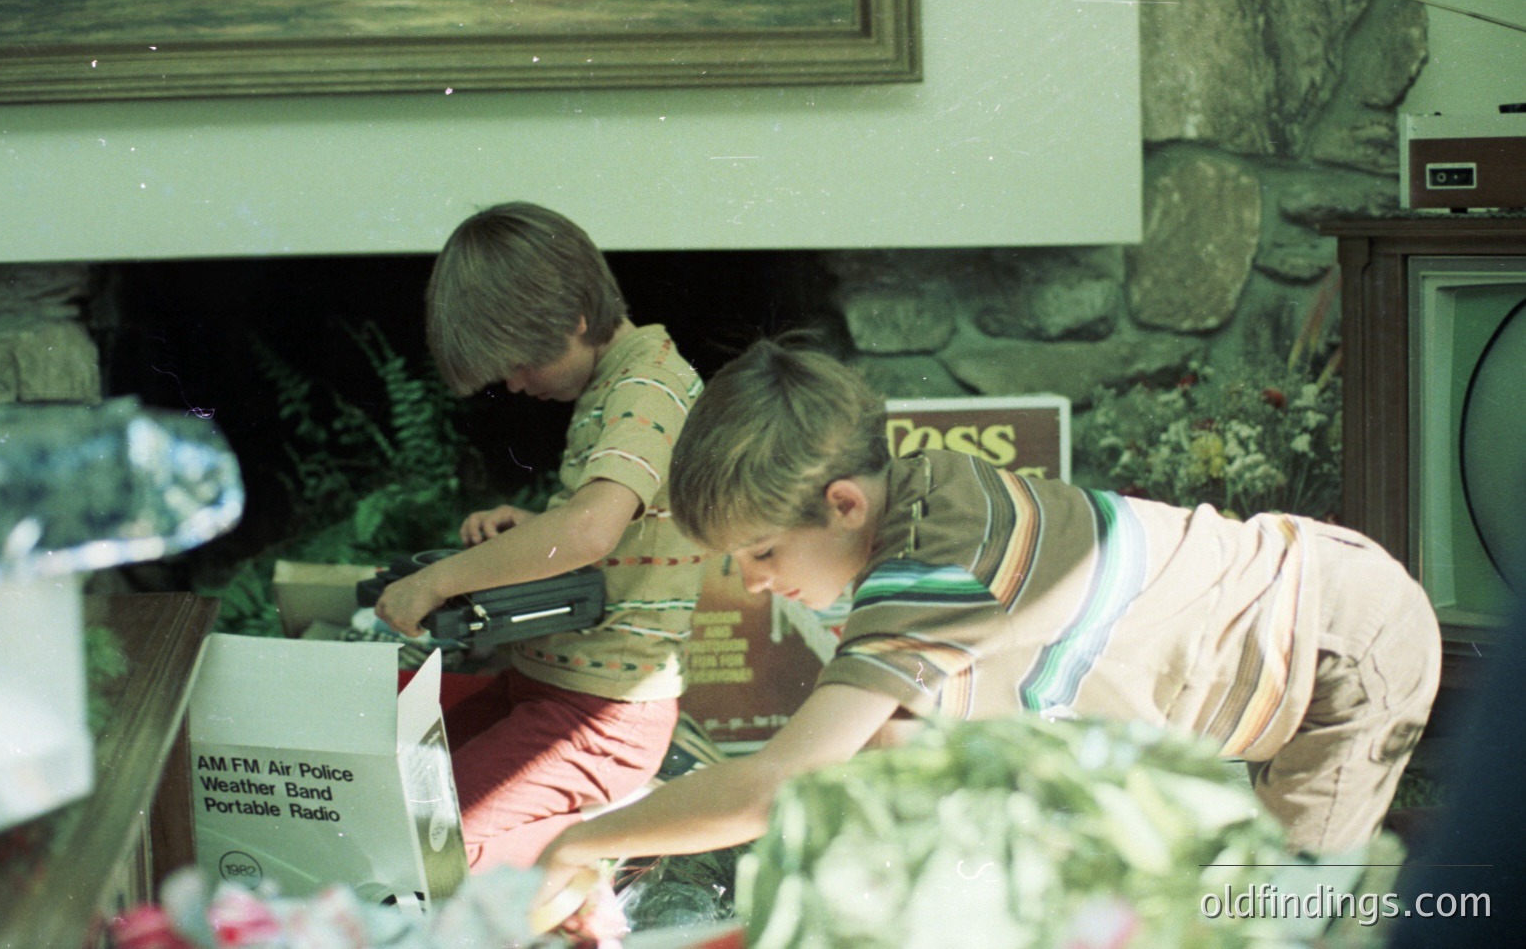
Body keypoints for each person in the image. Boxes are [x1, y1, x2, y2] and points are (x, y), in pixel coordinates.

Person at [535, 336, 1443, 900]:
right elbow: (885, 745)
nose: (756, 582)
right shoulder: (922, 493)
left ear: (844, 505)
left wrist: (582, 843)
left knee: (1274, 919)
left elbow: (775, 785)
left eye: (763, 552)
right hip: (1296, 614)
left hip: (1340, 652)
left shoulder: (935, 570)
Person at [375, 202, 712, 872]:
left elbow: (589, 531)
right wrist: (533, 532)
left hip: (601, 715)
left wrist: (436, 580)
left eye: (523, 361)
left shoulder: (648, 387)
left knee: (437, 846)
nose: (514, 382)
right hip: (548, 685)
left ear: (577, 320)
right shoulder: (619, 381)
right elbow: (618, 535)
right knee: (400, 793)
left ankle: (619, 840)